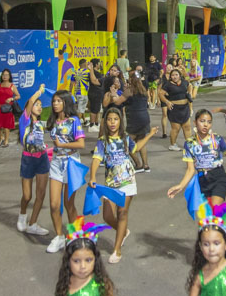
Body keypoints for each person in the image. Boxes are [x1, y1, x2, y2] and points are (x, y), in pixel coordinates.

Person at [88, 106, 156, 263]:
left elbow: (137, 148)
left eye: (116, 119)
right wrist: (92, 177)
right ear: (105, 122)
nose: (112, 122)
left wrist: (150, 134)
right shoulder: (102, 141)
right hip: (110, 183)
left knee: (122, 213)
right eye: (110, 119)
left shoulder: (125, 138)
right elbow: (97, 159)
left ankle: (117, 250)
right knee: (107, 215)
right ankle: (123, 231)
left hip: (127, 181)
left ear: (120, 122)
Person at [168, 109, 226, 206]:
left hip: (218, 177)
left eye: (209, 122)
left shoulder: (217, 139)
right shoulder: (189, 143)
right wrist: (181, 186)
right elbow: (190, 170)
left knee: (215, 208)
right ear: (195, 123)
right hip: (203, 180)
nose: (206, 125)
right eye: (202, 121)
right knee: (209, 215)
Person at [46, 91, 86, 253]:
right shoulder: (53, 121)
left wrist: (62, 145)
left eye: (59, 101)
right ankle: (59, 236)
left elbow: (81, 144)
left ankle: (76, 235)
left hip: (71, 163)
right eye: (54, 101)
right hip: (56, 163)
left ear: (66, 103)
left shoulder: (74, 121)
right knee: (54, 204)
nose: (55, 104)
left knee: (69, 204)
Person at [17, 84, 51, 237]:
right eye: (37, 105)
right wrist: (40, 91)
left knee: (41, 194)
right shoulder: (24, 121)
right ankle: (23, 215)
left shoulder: (40, 124)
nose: (39, 107)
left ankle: (33, 223)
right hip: (28, 161)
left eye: (40, 105)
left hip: (42, 159)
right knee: (27, 195)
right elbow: (30, 101)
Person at [123, 71, 152, 172]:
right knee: (142, 142)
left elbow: (123, 102)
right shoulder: (143, 90)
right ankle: (146, 165)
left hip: (134, 118)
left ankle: (138, 164)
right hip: (144, 117)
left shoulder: (130, 91)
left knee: (126, 142)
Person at [160, 69, 193, 152]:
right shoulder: (167, 84)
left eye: (176, 75)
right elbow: (160, 94)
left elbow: (190, 86)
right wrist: (167, 102)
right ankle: (173, 144)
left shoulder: (184, 82)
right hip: (174, 109)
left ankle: (189, 145)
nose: (174, 77)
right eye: (173, 75)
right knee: (176, 128)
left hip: (185, 108)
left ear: (179, 75)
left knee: (187, 127)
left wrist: (190, 93)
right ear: (170, 77)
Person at [0, 69, 20, 148]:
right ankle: (1, 137)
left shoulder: (12, 86)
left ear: (9, 76)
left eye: (6, 75)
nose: (5, 76)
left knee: (6, 125)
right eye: (3, 75)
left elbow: (18, 96)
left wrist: (11, 99)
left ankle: (6, 140)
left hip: (7, 108)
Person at [87, 59, 105, 134]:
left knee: (97, 109)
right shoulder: (95, 73)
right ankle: (91, 125)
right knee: (94, 109)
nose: (100, 64)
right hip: (95, 93)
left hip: (96, 92)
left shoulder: (94, 73)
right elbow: (95, 81)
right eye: (99, 63)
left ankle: (96, 123)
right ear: (96, 64)